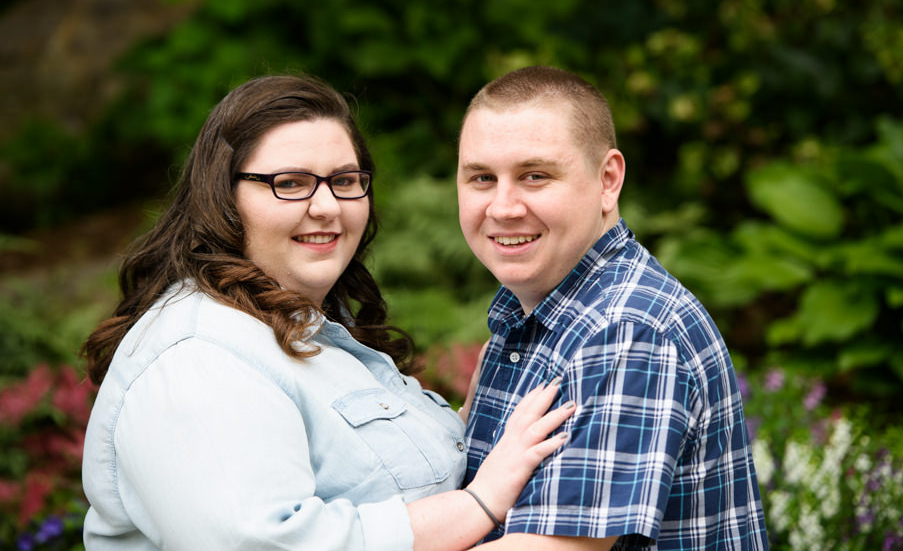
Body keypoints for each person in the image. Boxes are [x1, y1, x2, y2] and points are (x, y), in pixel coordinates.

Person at [80, 74, 576, 550]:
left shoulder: (311, 329)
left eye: (344, 180)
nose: (326, 206)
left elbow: (382, 476)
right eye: (290, 183)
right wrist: (479, 503)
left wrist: (485, 410)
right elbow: (260, 544)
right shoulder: (199, 357)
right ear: (222, 198)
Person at [456, 66, 769, 550]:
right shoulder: (539, 314)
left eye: (534, 175)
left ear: (608, 179)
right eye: (481, 177)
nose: (502, 206)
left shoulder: (627, 329)